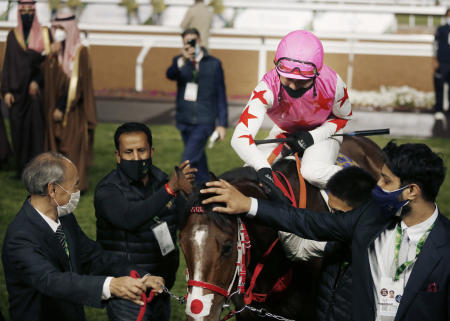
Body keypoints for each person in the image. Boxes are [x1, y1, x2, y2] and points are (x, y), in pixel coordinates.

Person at [201, 141, 449, 321]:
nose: (377, 186)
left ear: (412, 191)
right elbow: (308, 222)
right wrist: (249, 204)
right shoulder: (369, 217)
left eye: (385, 181)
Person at [2, 152, 165, 321]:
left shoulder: (64, 218)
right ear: (52, 189)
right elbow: (51, 280)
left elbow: (93, 257)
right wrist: (111, 285)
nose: (77, 192)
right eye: (75, 185)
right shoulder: (20, 238)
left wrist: (141, 276)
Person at [94, 122, 197, 321]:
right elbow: (130, 218)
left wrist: (189, 194)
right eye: (128, 152)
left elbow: (184, 219)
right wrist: (169, 190)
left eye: (141, 150)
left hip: (161, 285)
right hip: (129, 288)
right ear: (117, 155)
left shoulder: (161, 180)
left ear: (152, 151)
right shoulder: (108, 190)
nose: (136, 158)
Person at [231, 30, 352, 193]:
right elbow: (240, 138)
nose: (294, 86)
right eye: (287, 78)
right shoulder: (266, 88)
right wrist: (262, 168)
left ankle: (364, 184)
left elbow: (341, 119)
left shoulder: (334, 84)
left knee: (313, 173)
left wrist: (313, 136)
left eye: (302, 81)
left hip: (323, 130)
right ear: (276, 66)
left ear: (317, 72)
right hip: (285, 131)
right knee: (249, 174)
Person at [280, 166, 376, 321]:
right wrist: (281, 206)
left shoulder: (386, 251)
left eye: (338, 213)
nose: (332, 220)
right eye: (331, 212)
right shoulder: (335, 241)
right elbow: (297, 249)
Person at [43, 11, 97, 192]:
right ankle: (58, 184)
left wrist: (62, 107)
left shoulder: (80, 51)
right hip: (55, 108)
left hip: (73, 111)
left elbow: (78, 85)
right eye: (56, 27)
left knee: (72, 148)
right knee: (56, 149)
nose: (57, 31)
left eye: (61, 28)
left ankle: (74, 185)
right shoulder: (56, 50)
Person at [166, 28, 227, 184]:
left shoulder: (214, 63)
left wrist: (222, 124)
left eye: (193, 41)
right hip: (184, 120)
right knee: (198, 160)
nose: (190, 44)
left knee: (187, 159)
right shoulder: (179, 62)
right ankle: (206, 187)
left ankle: (175, 190)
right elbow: (170, 75)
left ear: (200, 41)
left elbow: (221, 93)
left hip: (204, 120)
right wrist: (183, 60)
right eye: (187, 42)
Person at [1, 0, 47, 177]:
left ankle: (36, 171)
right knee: (18, 131)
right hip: (16, 95)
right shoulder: (13, 36)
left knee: (35, 133)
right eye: (23, 10)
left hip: (35, 95)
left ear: (34, 12)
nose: (27, 13)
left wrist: (37, 81)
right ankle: (20, 169)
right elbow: (7, 65)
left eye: (30, 10)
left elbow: (48, 64)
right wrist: (6, 91)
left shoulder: (44, 34)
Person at [433, 8, 450, 121]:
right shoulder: (441, 29)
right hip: (443, 62)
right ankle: (439, 109)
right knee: (439, 86)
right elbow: (435, 45)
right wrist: (435, 60)